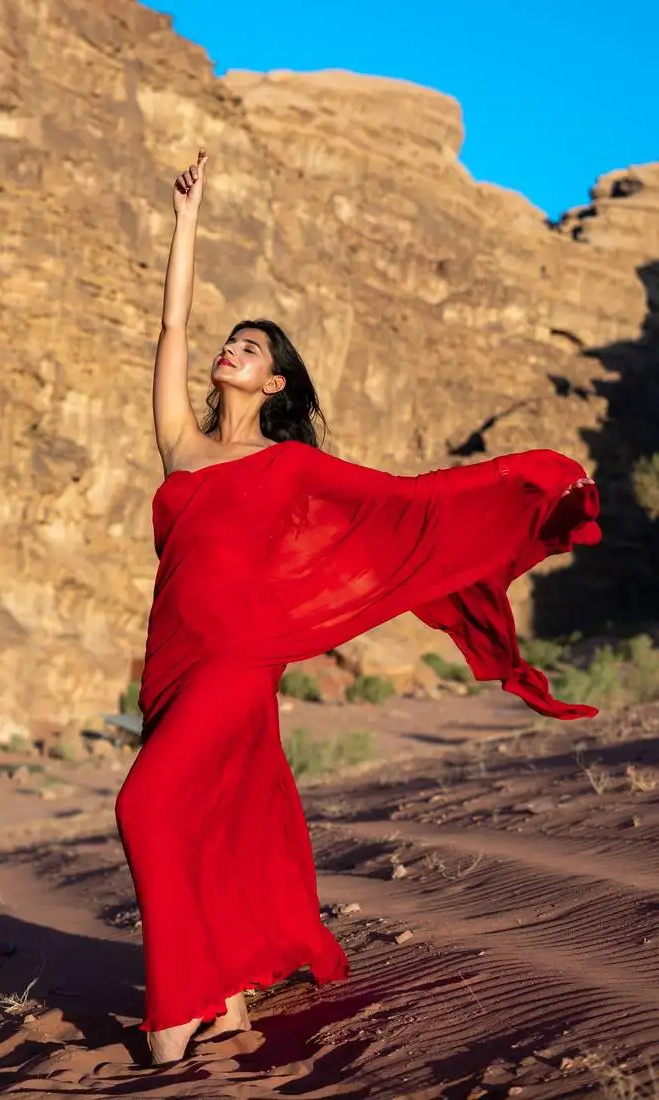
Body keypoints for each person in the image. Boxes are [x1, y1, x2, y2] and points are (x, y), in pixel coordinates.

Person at [115, 149, 602, 1065]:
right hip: (172, 661)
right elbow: (170, 323)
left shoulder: (291, 463)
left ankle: (174, 1007)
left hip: (235, 656)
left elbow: (411, 503)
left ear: (276, 387)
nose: (231, 350)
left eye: (251, 349)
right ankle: (224, 992)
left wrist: (526, 481)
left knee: (144, 807)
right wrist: (185, 220)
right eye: (234, 341)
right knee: (208, 820)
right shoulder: (180, 447)